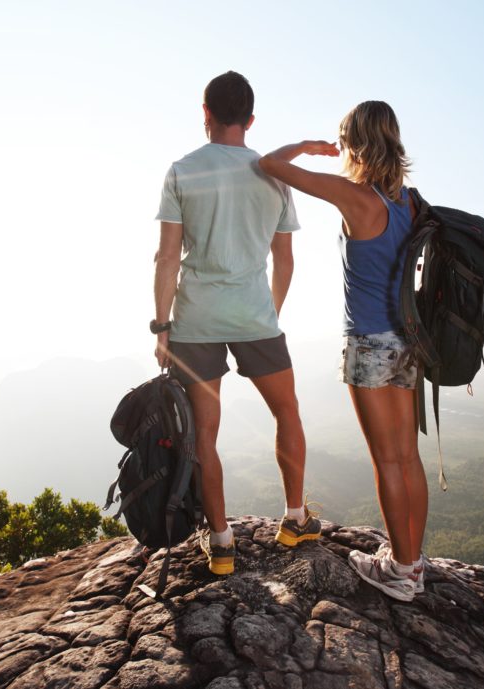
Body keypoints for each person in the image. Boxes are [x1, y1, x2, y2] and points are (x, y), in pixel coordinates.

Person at [152, 71, 321, 576]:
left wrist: (162, 328)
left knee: (205, 432)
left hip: (195, 319)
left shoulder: (183, 169)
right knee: (287, 412)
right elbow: (285, 259)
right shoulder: (273, 173)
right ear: (250, 119)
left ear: (205, 113)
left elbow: (166, 258)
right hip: (256, 316)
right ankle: (294, 518)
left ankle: (222, 542)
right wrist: (269, 311)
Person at [258, 101, 427, 601]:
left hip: (369, 345)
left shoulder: (353, 197)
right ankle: (413, 562)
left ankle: (398, 570)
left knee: (386, 463)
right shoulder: (411, 202)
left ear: (355, 142)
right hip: (409, 343)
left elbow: (268, 164)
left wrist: (308, 148)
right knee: (408, 458)